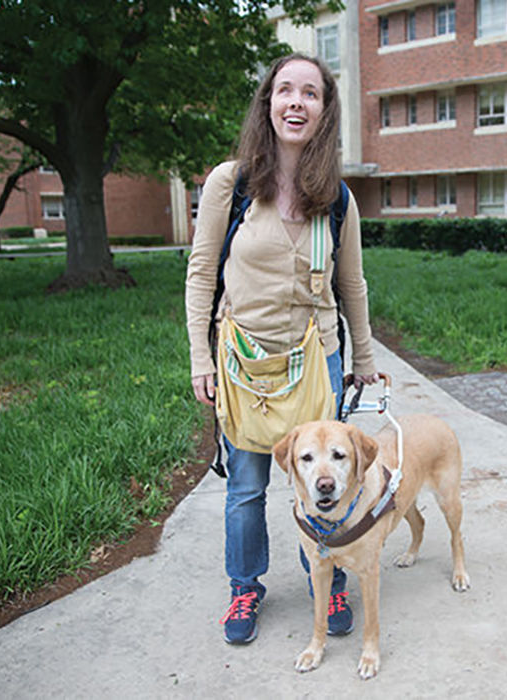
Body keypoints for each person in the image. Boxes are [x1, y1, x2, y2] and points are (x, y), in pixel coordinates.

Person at [185, 53, 378, 645]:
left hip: (317, 360)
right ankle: (245, 588)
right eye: (285, 91)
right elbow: (200, 273)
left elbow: (352, 286)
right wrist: (200, 356)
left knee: (324, 476)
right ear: (268, 103)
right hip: (243, 363)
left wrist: (365, 361)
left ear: (324, 110)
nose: (297, 102)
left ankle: (328, 579)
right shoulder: (231, 183)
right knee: (246, 487)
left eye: (311, 94)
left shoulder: (337, 199)